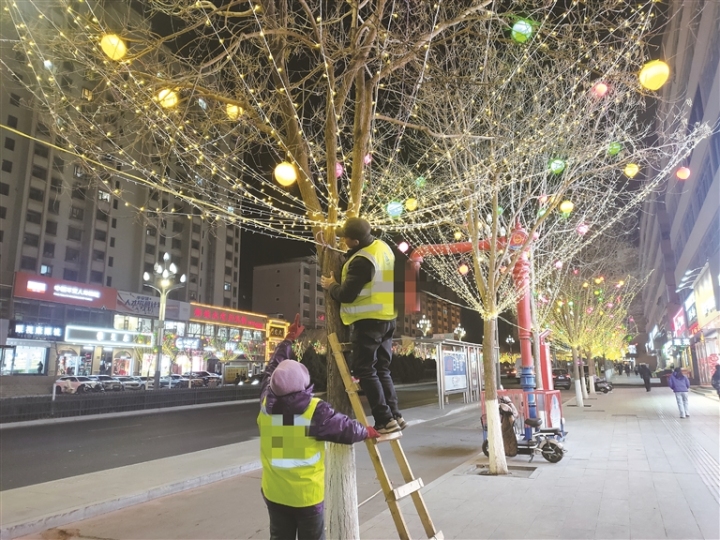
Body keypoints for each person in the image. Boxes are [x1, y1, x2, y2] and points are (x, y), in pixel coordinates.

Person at [258, 314, 379, 540]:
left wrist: (288, 340)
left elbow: (270, 370)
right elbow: (344, 429)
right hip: (306, 499)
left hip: (274, 494)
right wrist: (367, 431)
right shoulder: (314, 411)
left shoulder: (266, 404)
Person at [320, 217, 404, 434]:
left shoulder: (361, 261)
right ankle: (395, 415)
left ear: (355, 241)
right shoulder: (381, 248)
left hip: (369, 320)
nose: (343, 240)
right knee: (382, 368)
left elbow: (347, 295)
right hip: (388, 316)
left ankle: (384, 420)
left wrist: (332, 286)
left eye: (345, 238)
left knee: (365, 369)